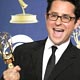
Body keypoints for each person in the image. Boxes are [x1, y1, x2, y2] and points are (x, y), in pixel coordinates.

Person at [1, 0, 80, 80]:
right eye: (53, 15)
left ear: (76, 23)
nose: (58, 22)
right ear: (46, 17)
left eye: (65, 17)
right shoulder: (21, 52)